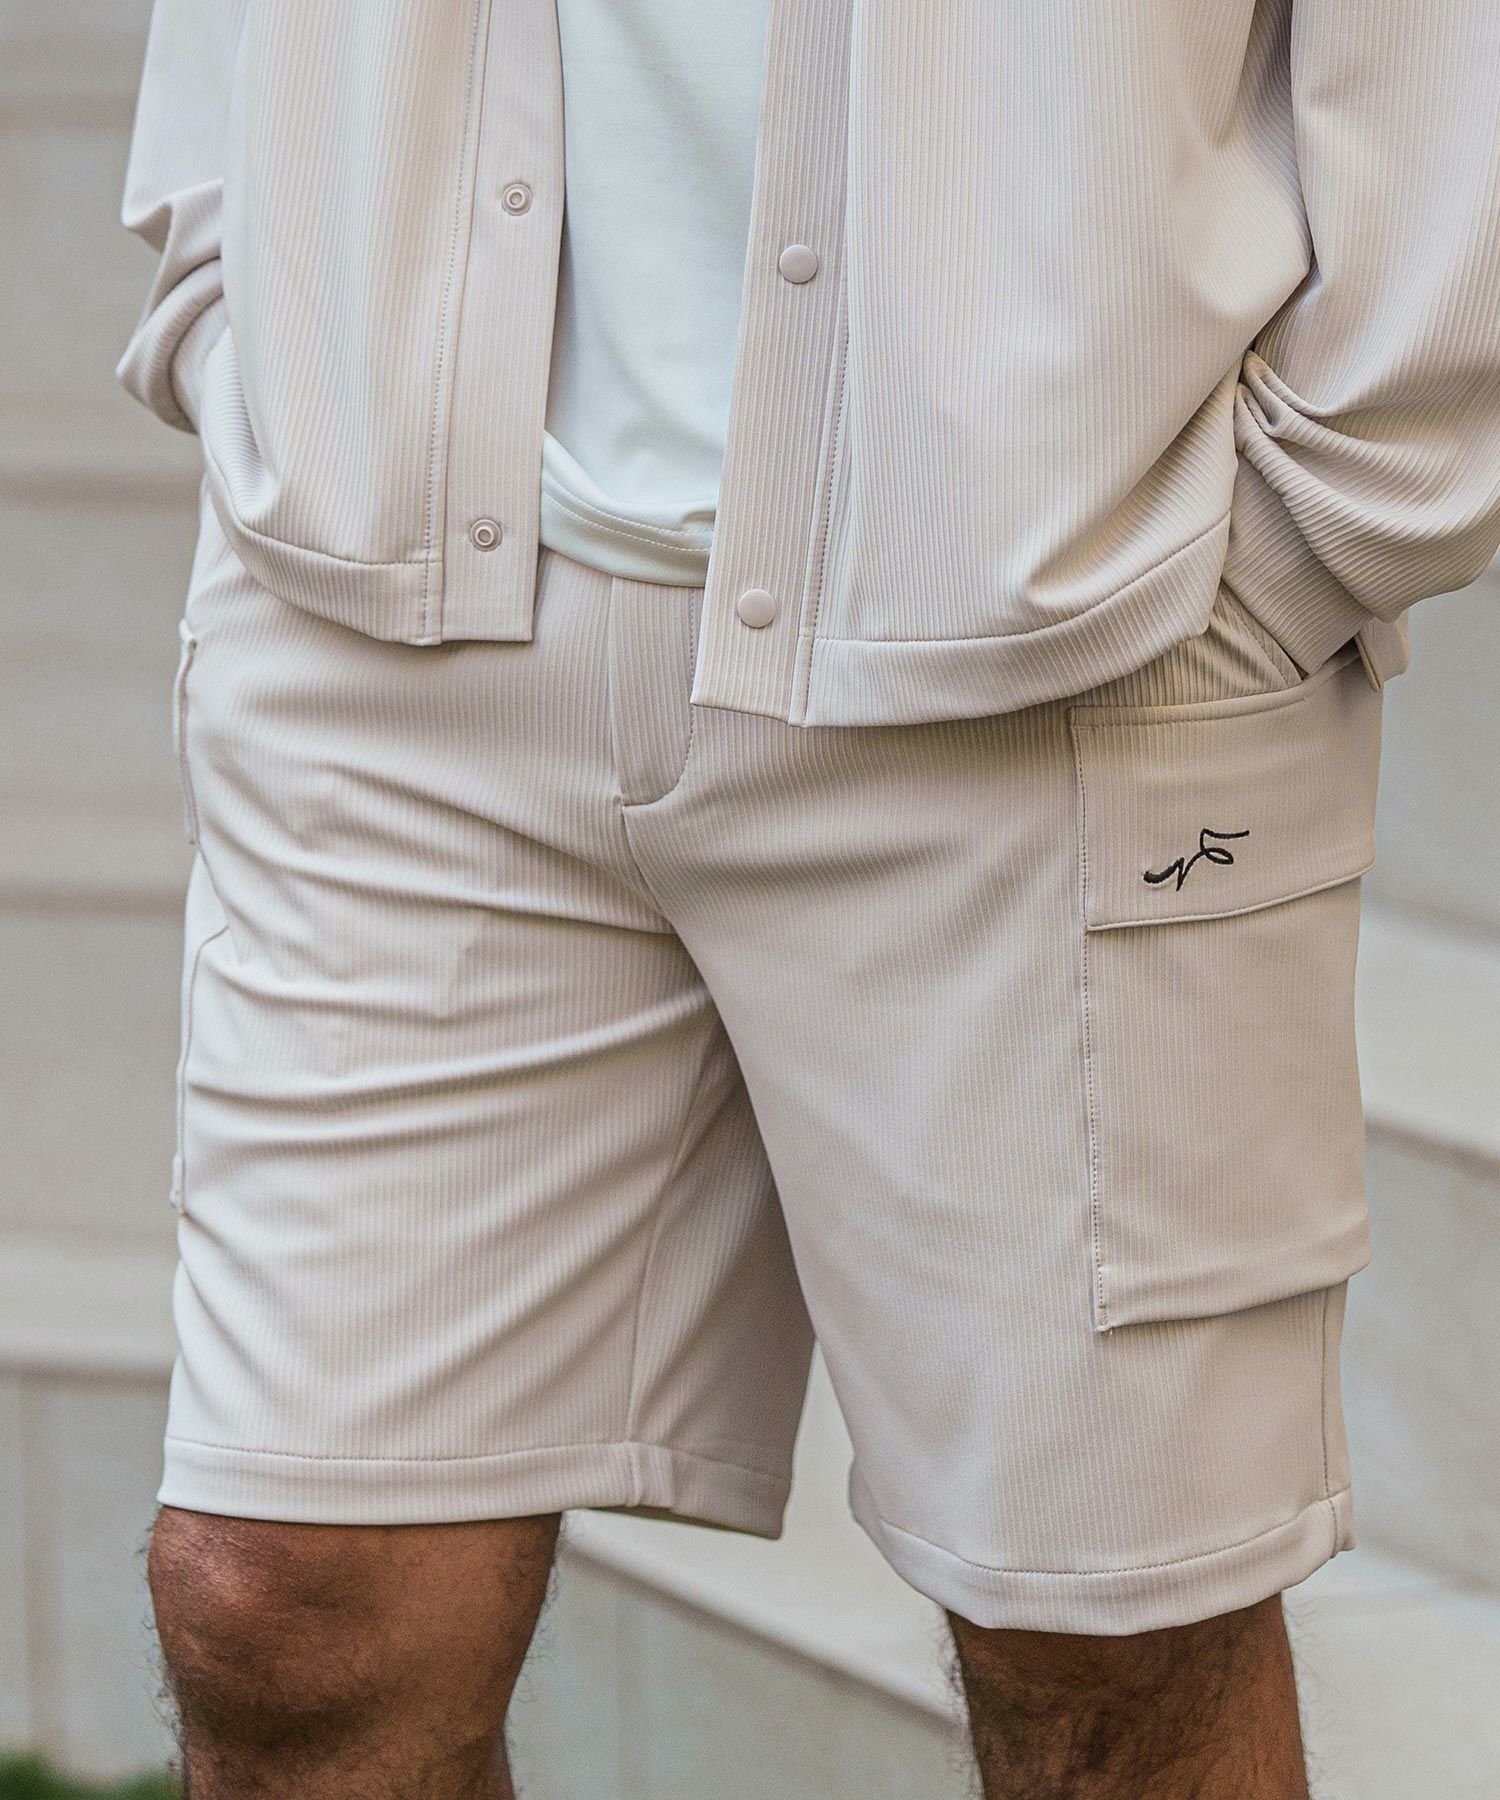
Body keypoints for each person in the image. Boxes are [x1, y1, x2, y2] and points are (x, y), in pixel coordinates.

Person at [115, 1, 1500, 1794]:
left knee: (1108, 1648)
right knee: (284, 1608)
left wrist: (1317, 529)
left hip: (1056, 648)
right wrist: (234, 288)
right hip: (391, 616)